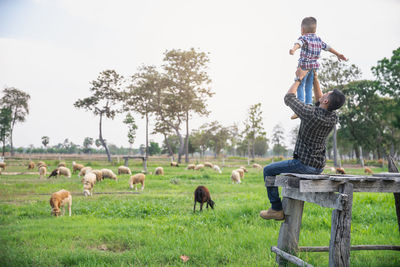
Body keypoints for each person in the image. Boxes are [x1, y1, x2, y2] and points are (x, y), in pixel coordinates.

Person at [260, 68, 346, 220]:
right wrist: (315, 79)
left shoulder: (309, 113)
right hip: (318, 167)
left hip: (303, 164)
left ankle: (276, 208)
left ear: (326, 101)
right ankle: (276, 208)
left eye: (326, 94)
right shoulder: (333, 118)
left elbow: (288, 98)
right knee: (274, 170)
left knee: (268, 170)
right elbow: (321, 100)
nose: (323, 94)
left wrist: (298, 79)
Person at [289, 17, 347, 120]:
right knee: (308, 87)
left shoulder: (304, 38)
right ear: (315, 30)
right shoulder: (318, 40)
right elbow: (328, 47)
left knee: (300, 85)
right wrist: (338, 54)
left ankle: (300, 109)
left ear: (302, 29)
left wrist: (293, 50)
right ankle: (308, 105)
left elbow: (298, 44)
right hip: (313, 68)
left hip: (304, 67)